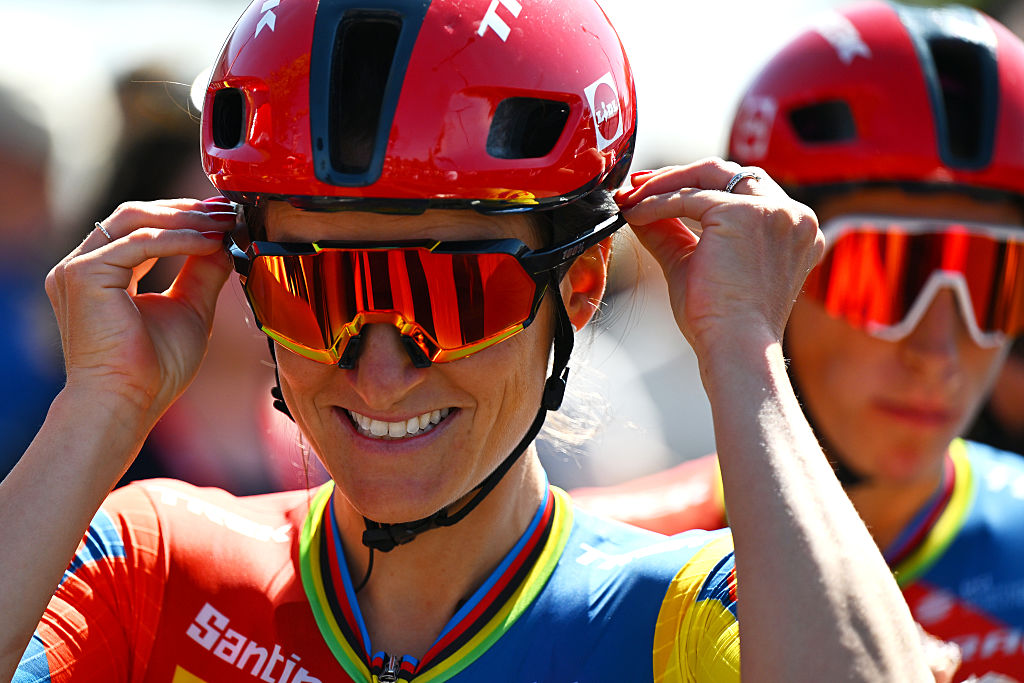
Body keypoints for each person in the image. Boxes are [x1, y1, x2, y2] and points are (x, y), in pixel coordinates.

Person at [1, 0, 930, 681]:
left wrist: (747, 356)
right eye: (311, 288)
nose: (381, 368)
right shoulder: (154, 563)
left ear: (578, 285)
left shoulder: (687, 615)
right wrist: (99, 407)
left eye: (450, 293)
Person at [573, 2, 1024, 680]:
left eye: (996, 284)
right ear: (769, 270)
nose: (939, 353)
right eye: (886, 278)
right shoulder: (604, 570)